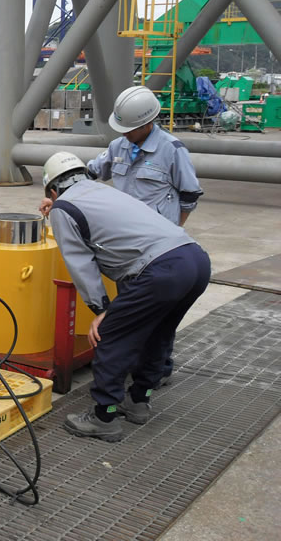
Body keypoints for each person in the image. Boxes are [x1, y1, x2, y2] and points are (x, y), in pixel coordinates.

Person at [40, 86, 204, 385]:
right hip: (125, 252)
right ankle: (139, 371)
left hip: (158, 248)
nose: (125, 133)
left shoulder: (172, 150)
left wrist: (174, 229)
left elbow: (190, 195)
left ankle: (153, 374)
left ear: (148, 122)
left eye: (130, 129)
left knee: (153, 320)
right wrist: (60, 200)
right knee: (136, 317)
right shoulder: (118, 146)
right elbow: (87, 176)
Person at [42, 152, 210, 442]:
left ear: (53, 190)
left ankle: (103, 417)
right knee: (158, 334)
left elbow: (80, 264)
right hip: (195, 259)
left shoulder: (63, 208)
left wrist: (101, 309)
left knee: (110, 336)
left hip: (161, 271)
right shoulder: (103, 191)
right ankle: (138, 401)